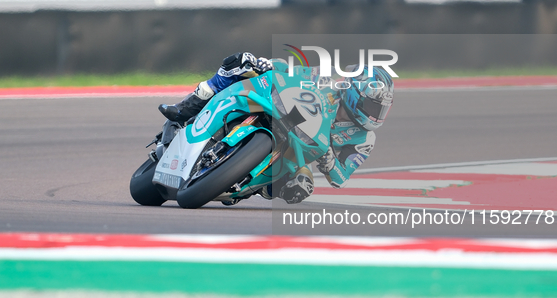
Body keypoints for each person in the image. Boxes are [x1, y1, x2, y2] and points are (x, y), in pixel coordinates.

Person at [159, 52, 395, 204]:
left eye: (381, 110)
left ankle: (255, 187)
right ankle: (188, 107)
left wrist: (330, 161)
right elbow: (292, 73)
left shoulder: (365, 140)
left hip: (300, 152)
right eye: (374, 107)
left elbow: (341, 179)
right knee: (241, 64)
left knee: (303, 185)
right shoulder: (327, 80)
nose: (376, 116)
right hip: (282, 110)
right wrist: (269, 65)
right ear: (356, 94)